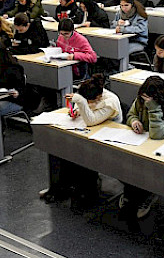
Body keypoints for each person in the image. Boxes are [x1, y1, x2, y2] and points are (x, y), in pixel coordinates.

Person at [39, 72, 123, 205]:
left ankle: (85, 192)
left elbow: (91, 120)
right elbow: (83, 106)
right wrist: (77, 110)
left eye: (88, 101)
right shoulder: (89, 93)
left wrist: (81, 102)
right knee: (56, 148)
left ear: (98, 97)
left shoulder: (109, 102)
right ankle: (57, 188)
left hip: (105, 137)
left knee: (82, 151)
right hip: (88, 131)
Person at [119, 76, 164, 220]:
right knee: (124, 160)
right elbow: (131, 114)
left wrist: (153, 109)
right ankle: (131, 193)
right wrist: (134, 121)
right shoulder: (142, 99)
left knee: (144, 168)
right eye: (143, 98)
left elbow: (158, 134)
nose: (144, 101)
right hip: (142, 142)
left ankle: (146, 195)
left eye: (148, 99)